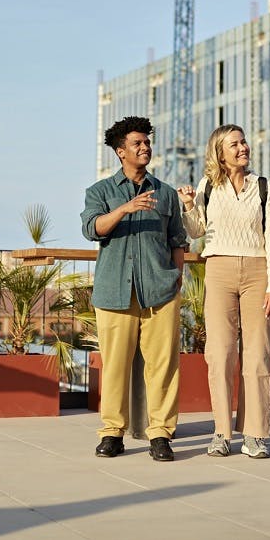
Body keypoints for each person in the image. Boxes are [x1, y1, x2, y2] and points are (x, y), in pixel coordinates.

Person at [82, 116, 189, 462]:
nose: (145, 148)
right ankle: (112, 432)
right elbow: (92, 229)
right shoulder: (100, 192)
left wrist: (176, 279)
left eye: (146, 142)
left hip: (161, 292)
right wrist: (125, 209)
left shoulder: (167, 194)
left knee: (163, 365)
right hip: (114, 292)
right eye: (137, 144)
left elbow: (177, 241)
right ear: (120, 151)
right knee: (115, 366)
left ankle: (161, 434)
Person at [176, 125, 270, 459]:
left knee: (258, 354)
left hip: (257, 271)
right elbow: (196, 232)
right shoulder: (209, 185)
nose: (242, 148)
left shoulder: (263, 186)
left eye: (243, 141)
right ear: (220, 153)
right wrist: (189, 205)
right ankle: (221, 432)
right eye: (234, 144)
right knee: (220, 353)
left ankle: (254, 434)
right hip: (219, 270)